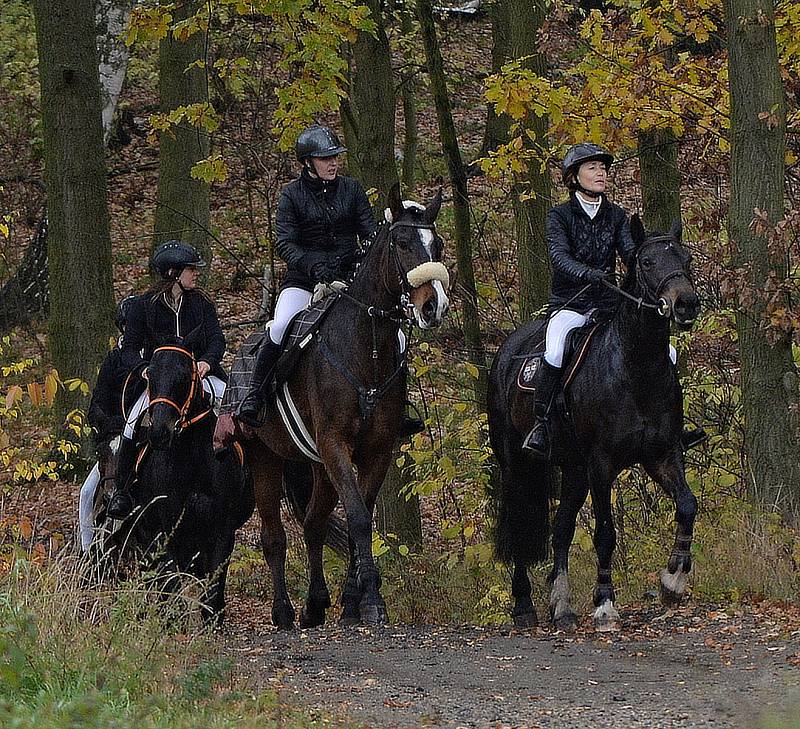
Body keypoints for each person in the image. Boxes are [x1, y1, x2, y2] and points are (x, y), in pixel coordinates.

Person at [237, 124, 422, 436]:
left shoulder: (352, 190)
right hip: (303, 281)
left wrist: (364, 254)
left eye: (335, 157)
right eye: (325, 158)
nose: (333, 163)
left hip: (348, 280)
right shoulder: (291, 196)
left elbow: (370, 232)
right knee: (281, 327)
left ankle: (399, 407)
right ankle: (256, 396)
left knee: (398, 337)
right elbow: (285, 243)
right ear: (308, 163)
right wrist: (312, 265)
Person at [522, 142, 706, 457]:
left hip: (610, 305)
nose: (601, 173)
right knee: (554, 350)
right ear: (574, 176)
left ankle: (674, 429)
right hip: (571, 304)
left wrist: (656, 255)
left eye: (603, 168)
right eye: (592, 168)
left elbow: (630, 254)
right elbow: (558, 256)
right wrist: (586, 273)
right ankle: (542, 424)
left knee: (669, 353)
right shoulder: (559, 216)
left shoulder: (617, 215)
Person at [106, 240, 226, 519]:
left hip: (199, 374)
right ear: (174, 273)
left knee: (234, 408)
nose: (196, 274)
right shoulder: (142, 306)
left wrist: (207, 362)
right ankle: (122, 492)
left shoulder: (201, 304)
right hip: (159, 381)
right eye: (191, 269)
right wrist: (144, 370)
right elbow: (129, 349)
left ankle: (248, 475)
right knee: (131, 424)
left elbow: (217, 339)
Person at [78, 294, 139, 551]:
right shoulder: (113, 361)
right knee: (86, 493)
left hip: (145, 440)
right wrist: (113, 427)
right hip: (115, 440)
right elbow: (96, 407)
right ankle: (87, 550)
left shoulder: (155, 359)